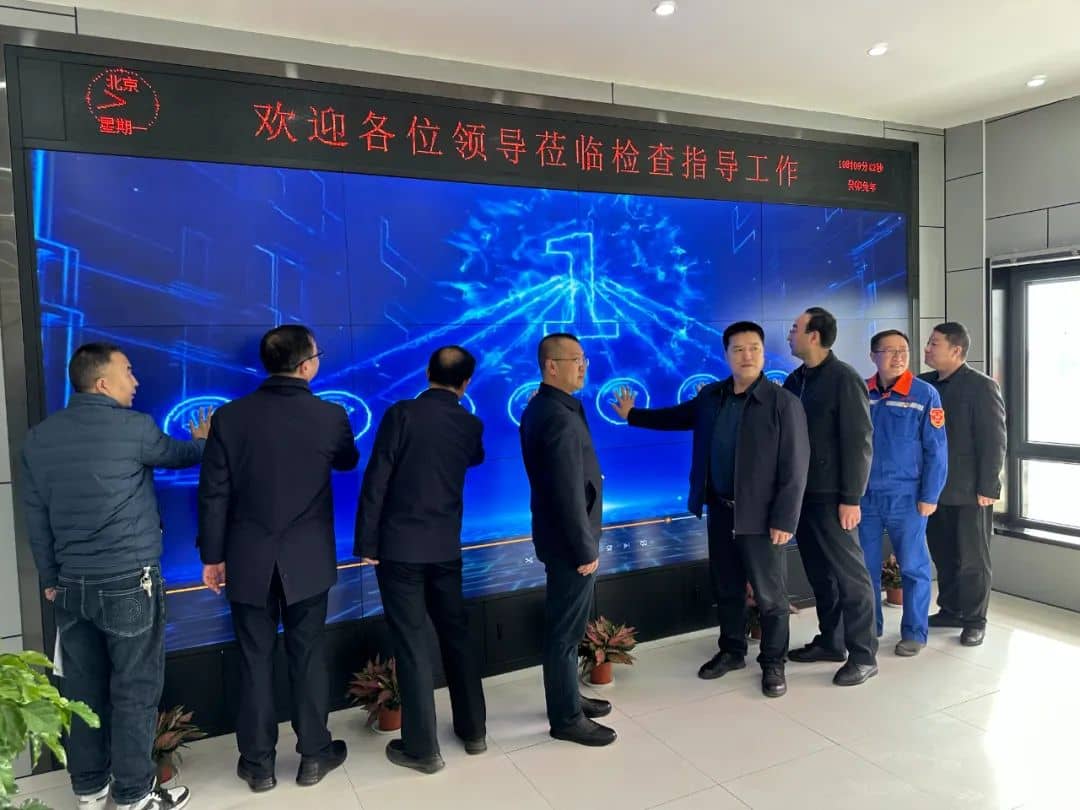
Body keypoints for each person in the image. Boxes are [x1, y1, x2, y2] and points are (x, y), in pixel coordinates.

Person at [20, 342, 210, 810]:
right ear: (103, 382)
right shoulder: (135, 428)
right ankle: (133, 795)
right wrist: (204, 439)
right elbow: (180, 455)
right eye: (128, 371)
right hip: (129, 582)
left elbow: (36, 518)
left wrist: (50, 577)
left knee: (81, 690)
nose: (136, 381)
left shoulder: (39, 439)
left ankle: (89, 788)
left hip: (70, 586)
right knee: (134, 690)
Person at [197, 325, 359, 792]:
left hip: (247, 558)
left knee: (254, 660)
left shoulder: (230, 418)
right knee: (307, 656)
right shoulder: (330, 415)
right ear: (306, 365)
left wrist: (213, 556)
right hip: (308, 560)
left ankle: (258, 765)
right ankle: (314, 756)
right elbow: (347, 460)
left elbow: (214, 493)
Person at [612, 322, 809, 698]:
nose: (747, 355)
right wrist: (633, 415)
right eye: (738, 349)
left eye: (754, 348)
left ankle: (773, 662)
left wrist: (785, 518)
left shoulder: (783, 403)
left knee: (770, 596)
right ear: (726, 355)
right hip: (721, 510)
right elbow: (677, 417)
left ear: (763, 353)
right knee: (727, 586)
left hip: (763, 517)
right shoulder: (711, 396)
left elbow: (796, 466)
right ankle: (732, 651)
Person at [354, 346, 487, 775]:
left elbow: (377, 479)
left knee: (412, 646)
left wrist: (366, 541)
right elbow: (475, 456)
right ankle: (474, 731)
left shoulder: (402, 414)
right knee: (457, 638)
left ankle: (423, 749)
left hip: (400, 549)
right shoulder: (470, 424)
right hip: (446, 547)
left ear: (428, 372)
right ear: (466, 383)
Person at [519, 333, 616, 747]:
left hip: (562, 537)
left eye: (584, 358)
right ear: (551, 366)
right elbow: (565, 491)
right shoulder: (555, 414)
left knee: (568, 631)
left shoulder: (551, 406)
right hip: (569, 543)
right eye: (574, 359)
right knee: (564, 634)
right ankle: (566, 719)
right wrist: (583, 547)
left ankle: (568, 698)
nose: (583, 366)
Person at [782, 307, 879, 685]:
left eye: (795, 328)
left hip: (835, 497)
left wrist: (852, 498)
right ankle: (832, 642)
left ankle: (863, 655)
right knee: (820, 575)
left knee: (851, 578)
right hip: (802, 495)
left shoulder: (844, 379)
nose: (789, 334)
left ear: (814, 336)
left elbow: (859, 442)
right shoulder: (795, 380)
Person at [859, 329, 948, 657]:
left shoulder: (924, 394)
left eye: (903, 350)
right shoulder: (861, 391)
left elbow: (936, 449)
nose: (898, 357)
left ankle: (914, 631)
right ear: (873, 356)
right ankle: (869, 628)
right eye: (889, 350)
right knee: (864, 568)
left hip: (907, 497)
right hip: (864, 497)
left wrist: (930, 495)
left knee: (913, 566)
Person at [920, 322, 1007, 647]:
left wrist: (989, 487)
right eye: (929, 343)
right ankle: (951, 609)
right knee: (943, 555)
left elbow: (994, 440)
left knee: (973, 559)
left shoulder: (981, 386)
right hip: (933, 490)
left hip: (971, 491)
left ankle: (974, 620)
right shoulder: (924, 384)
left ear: (956, 350)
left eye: (934, 344)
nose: (927, 348)